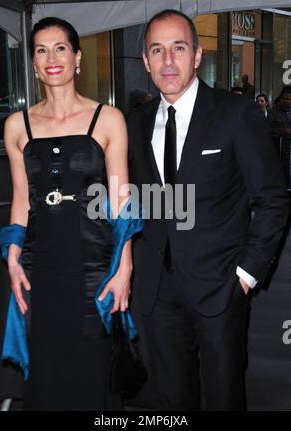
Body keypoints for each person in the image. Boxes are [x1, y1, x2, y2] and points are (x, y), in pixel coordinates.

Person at [128, 9, 289, 410]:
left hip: (221, 288)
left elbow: (272, 198)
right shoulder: (135, 123)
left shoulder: (235, 113)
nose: (168, 61)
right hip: (158, 294)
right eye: (157, 50)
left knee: (224, 397)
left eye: (178, 48)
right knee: (172, 401)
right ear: (146, 61)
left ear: (197, 55)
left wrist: (246, 277)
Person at [3, 17, 134, 411]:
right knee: (47, 374)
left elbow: (121, 200)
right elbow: (22, 198)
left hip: (94, 268)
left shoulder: (108, 119)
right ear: (33, 63)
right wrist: (11, 254)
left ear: (78, 58)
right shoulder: (17, 126)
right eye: (41, 50)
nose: (51, 58)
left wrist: (124, 269)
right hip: (40, 267)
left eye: (60, 48)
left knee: (92, 374)